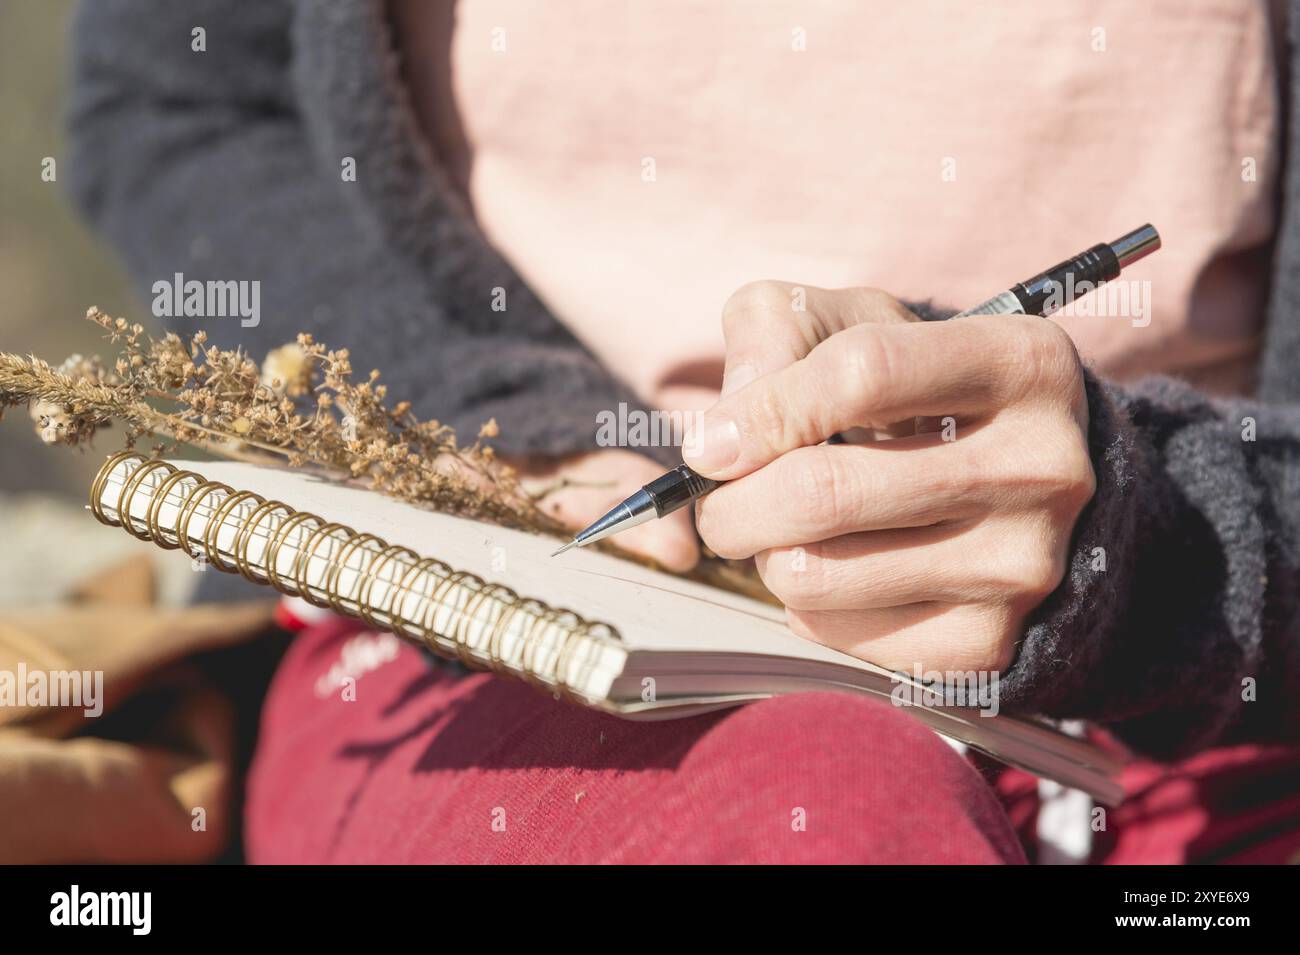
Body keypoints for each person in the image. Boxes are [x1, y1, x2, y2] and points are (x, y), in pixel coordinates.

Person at [66, 0, 1300, 863]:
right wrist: (487, 410)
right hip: (497, 627)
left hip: (1202, 707)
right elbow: (182, 106)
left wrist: (1148, 543)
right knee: (814, 805)